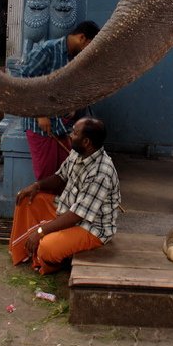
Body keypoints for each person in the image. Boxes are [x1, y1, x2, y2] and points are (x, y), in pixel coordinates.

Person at [9, 117, 120, 274]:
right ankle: (27, 252)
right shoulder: (78, 152)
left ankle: (59, 261)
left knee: (46, 247)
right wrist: (36, 186)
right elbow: (60, 176)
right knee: (27, 198)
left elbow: (77, 215)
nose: (70, 135)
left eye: (74, 133)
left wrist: (42, 231)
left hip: (90, 228)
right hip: (65, 209)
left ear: (86, 142)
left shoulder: (101, 172)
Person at [20, 20, 100, 181]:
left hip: (62, 126)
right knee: (46, 176)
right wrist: (40, 115)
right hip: (41, 127)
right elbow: (25, 81)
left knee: (64, 176)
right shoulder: (48, 50)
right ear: (82, 38)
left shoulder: (74, 58)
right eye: (90, 45)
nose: (89, 50)